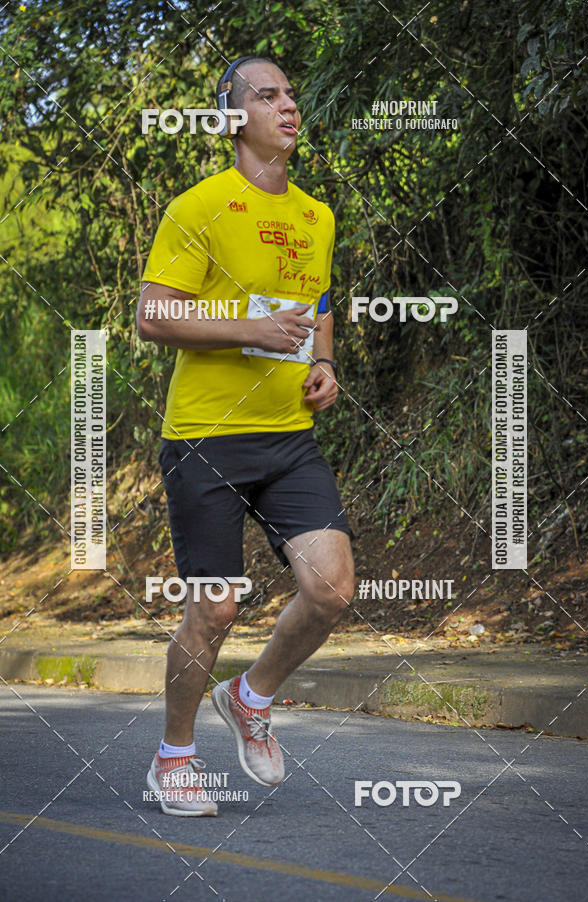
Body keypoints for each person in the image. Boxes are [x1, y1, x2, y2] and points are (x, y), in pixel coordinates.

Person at [136, 55, 355, 816]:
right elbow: (153, 315)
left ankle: (252, 696)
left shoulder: (316, 214)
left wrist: (324, 360)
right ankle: (173, 757)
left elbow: (318, 299)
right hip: (205, 438)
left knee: (331, 589)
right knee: (217, 606)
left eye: (292, 93)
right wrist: (247, 328)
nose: (288, 105)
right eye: (268, 95)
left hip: (289, 436)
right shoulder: (197, 208)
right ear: (235, 117)